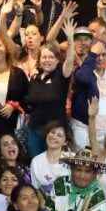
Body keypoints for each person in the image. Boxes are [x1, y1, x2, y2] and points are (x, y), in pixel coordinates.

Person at [24, 29, 77, 157]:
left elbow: (70, 60)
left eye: (51, 57)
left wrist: (70, 40)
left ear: (57, 59)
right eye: (44, 57)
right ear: (39, 59)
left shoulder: (61, 74)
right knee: (35, 163)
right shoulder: (35, 78)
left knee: (53, 164)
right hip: (34, 130)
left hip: (54, 132)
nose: (47, 60)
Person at [29, 121, 73, 199]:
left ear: (65, 142)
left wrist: (75, 167)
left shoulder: (73, 158)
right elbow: (37, 189)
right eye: (52, 132)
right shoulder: (36, 162)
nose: (54, 137)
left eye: (59, 135)